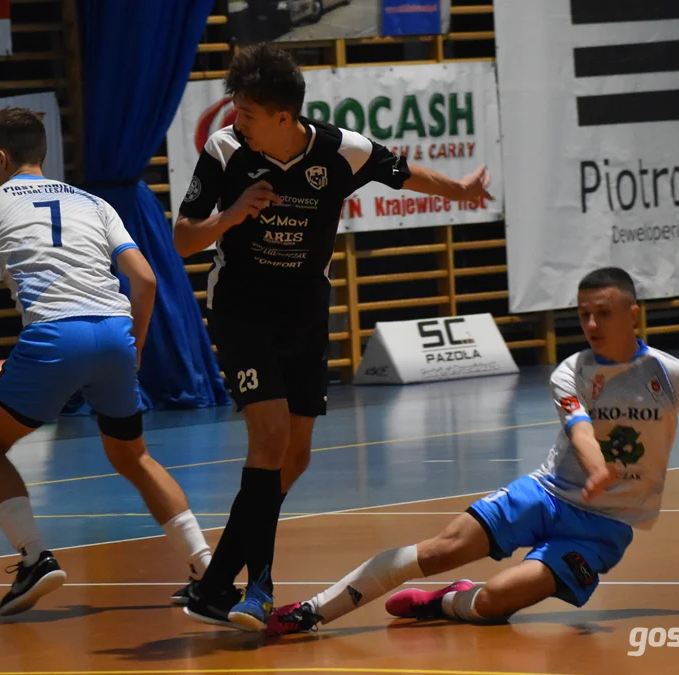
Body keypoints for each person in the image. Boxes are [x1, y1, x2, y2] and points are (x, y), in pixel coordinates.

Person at [264, 266, 679, 635]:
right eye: (583, 312)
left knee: (493, 606)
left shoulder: (675, 377)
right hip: (546, 493)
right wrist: (599, 464)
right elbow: (580, 428)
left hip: (602, 529)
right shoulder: (571, 370)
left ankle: (446, 603)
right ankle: (314, 610)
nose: (590, 323)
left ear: (634, 315)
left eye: (603, 312)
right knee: (435, 551)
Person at [172, 42, 495, 631]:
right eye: (234, 111)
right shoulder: (225, 151)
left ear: (284, 118)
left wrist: (463, 192)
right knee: (268, 440)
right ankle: (257, 591)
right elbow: (183, 239)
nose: (235, 122)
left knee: (293, 459)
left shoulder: (341, 151)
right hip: (241, 309)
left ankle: (215, 584)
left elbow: (402, 172)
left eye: (247, 113)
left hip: (304, 312)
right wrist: (231, 215)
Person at [0, 108, 213, 617]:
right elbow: (145, 281)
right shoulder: (93, 202)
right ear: (42, 153)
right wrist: (136, 349)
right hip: (113, 332)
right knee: (134, 457)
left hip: (55, 337)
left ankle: (36, 558)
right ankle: (206, 567)